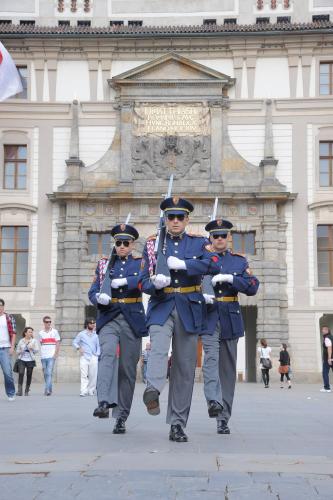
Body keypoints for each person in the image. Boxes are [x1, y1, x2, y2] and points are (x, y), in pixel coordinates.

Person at [139, 196, 220, 443]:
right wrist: (153, 284)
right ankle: (153, 389)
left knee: (184, 369)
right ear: (165, 219)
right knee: (159, 349)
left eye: (179, 217)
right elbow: (141, 280)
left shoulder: (199, 243)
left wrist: (184, 265)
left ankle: (177, 423)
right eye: (170, 217)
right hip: (162, 305)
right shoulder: (153, 244)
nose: (175, 221)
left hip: (188, 306)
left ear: (187, 219)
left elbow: (212, 266)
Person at [201, 218, 259, 435]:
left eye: (223, 235)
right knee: (211, 360)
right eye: (215, 236)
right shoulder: (202, 259)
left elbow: (253, 287)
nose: (219, 239)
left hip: (230, 316)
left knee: (227, 370)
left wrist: (232, 279)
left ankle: (223, 418)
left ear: (229, 238)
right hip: (208, 316)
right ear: (210, 238)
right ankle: (214, 402)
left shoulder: (238, 262)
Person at [89, 223, 148, 434]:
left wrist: (123, 282)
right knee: (106, 356)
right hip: (109, 316)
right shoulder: (104, 264)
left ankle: (122, 415)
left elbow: (143, 281)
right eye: (118, 242)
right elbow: (93, 290)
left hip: (132, 318)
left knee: (127, 370)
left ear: (132, 245)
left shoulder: (140, 263)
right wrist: (98, 297)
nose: (121, 246)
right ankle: (104, 401)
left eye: (126, 243)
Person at [73, 318, 100, 397]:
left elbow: (99, 346)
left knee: (93, 375)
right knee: (84, 375)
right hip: (84, 357)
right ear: (87, 324)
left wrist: (97, 354)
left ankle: (91, 390)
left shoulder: (96, 334)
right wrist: (79, 348)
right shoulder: (81, 334)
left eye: (94, 323)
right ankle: (83, 391)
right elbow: (74, 342)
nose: (93, 324)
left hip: (93, 357)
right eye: (91, 323)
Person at [38, 316, 61, 396]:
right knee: (45, 373)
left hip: (51, 356)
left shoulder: (55, 332)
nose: (49, 323)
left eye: (50, 322)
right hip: (43, 356)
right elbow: (41, 344)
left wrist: (55, 354)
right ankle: (50, 389)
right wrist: (41, 354)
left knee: (49, 372)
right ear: (44, 323)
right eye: (47, 322)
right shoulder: (40, 333)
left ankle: (47, 389)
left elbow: (58, 343)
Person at [0, 298, 16, 401]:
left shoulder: (9, 317)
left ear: (3, 306)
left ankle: (11, 393)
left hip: (5, 348)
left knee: (7, 372)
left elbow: (13, 333)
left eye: (1, 306)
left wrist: (12, 346)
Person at [15, 327, 39, 396]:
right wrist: (21, 351)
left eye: (31, 332)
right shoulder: (21, 341)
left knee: (29, 375)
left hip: (30, 360)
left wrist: (32, 348)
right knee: (21, 373)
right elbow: (17, 351)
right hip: (21, 359)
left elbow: (37, 350)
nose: (31, 333)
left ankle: (26, 390)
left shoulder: (34, 341)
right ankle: (19, 391)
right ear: (25, 333)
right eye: (29, 332)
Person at [320, 326, 333, 393]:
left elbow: (329, 348)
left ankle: (327, 388)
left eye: (323, 330)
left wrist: (329, 358)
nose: (322, 331)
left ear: (327, 330)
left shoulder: (327, 338)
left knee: (325, 373)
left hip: (328, 359)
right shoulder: (331, 336)